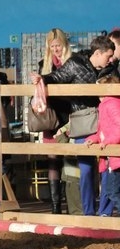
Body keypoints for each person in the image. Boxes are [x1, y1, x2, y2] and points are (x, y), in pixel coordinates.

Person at [31, 35, 116, 216]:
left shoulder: (111, 69)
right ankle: (88, 212)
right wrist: (42, 79)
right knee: (86, 170)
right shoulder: (76, 63)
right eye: (108, 56)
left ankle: (105, 213)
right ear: (98, 53)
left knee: (109, 168)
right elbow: (56, 77)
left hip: (107, 122)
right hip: (83, 121)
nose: (111, 60)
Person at [35, 28, 72, 213]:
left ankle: (70, 203)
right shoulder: (43, 65)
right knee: (53, 161)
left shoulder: (73, 63)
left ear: (64, 45)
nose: (56, 49)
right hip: (50, 119)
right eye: (53, 46)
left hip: (70, 117)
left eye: (58, 45)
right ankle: (55, 206)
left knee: (70, 160)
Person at [85, 75, 120, 216]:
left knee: (112, 191)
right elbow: (103, 130)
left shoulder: (109, 104)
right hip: (112, 156)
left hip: (115, 156)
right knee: (112, 190)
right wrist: (94, 138)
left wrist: (107, 141)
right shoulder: (108, 104)